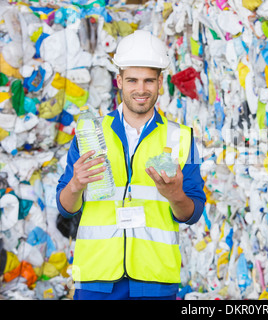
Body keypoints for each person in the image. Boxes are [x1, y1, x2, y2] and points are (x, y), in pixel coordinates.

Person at [56, 30, 206, 300]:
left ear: (160, 82)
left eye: (149, 80)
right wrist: (76, 184)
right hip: (95, 278)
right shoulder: (90, 133)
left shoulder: (182, 137)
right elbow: (65, 208)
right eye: (132, 80)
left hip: (155, 279)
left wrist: (175, 195)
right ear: (119, 81)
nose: (141, 89)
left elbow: (192, 214)